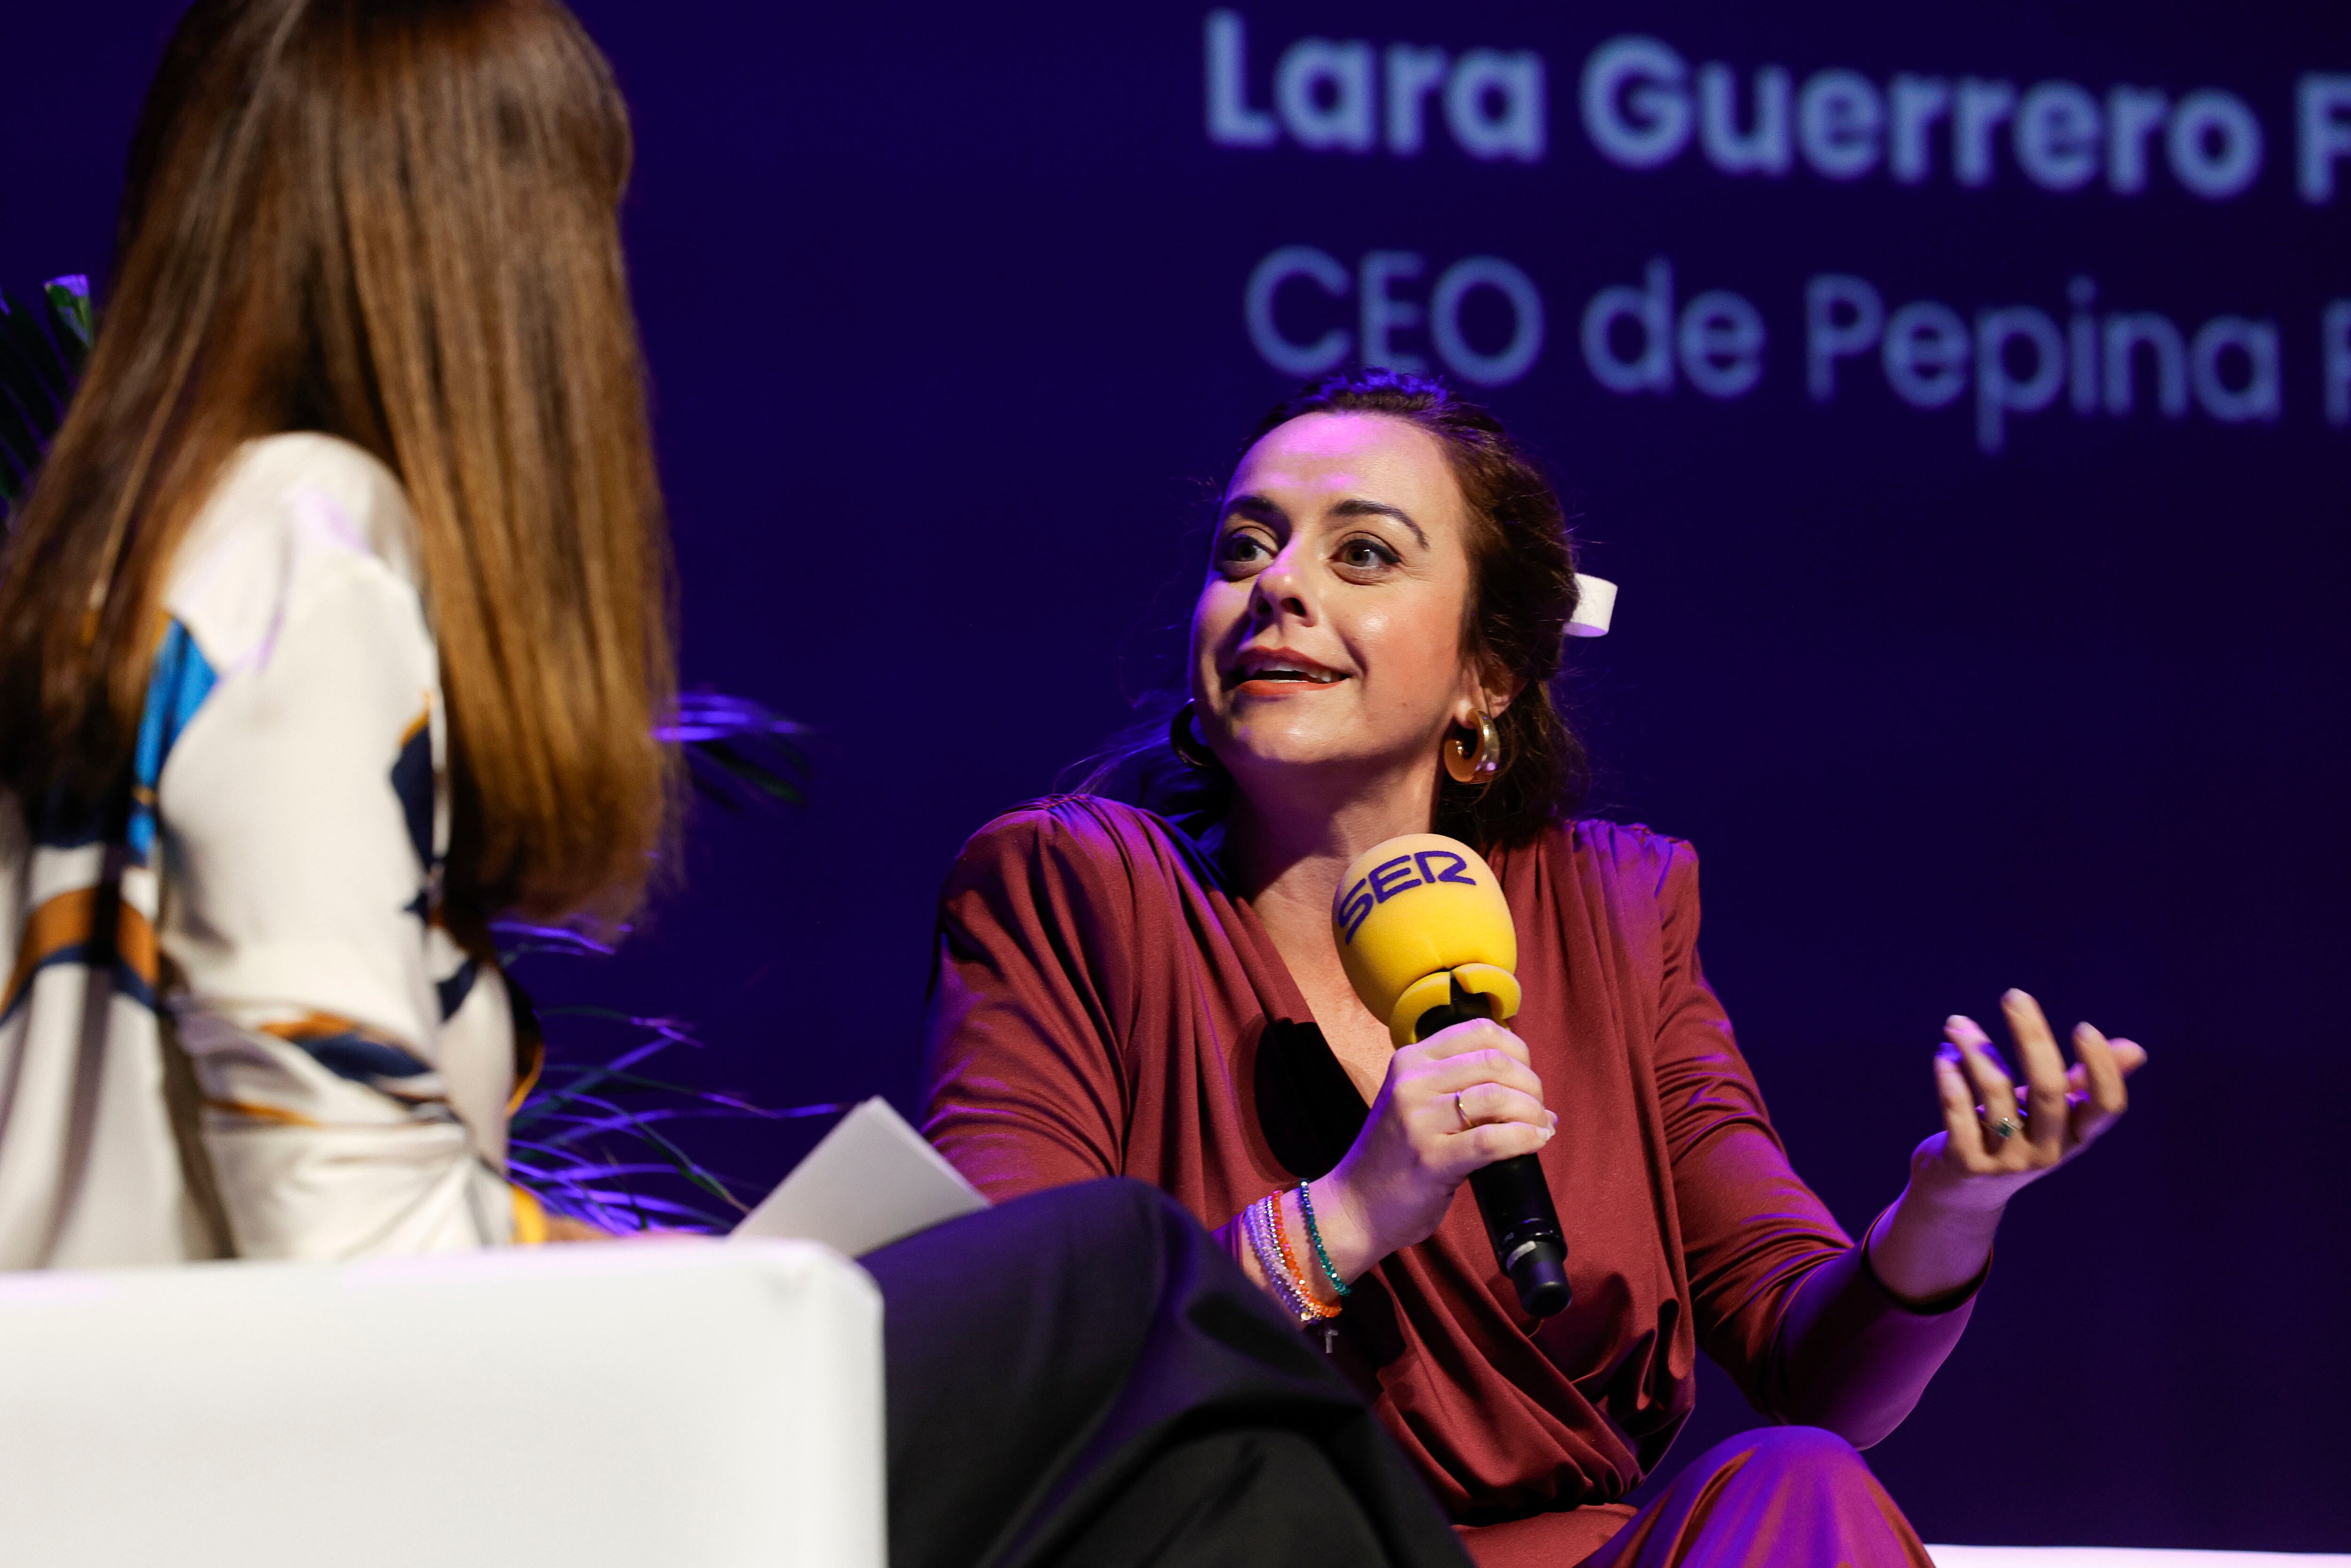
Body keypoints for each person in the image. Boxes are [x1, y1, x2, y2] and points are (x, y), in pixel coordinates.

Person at [0, 8, 1474, 1566]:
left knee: (1229, 1483)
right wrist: (716, 1307)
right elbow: (351, 1236)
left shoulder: (121, 565)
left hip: (190, 1422)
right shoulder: (314, 540)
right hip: (345, 1463)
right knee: (1125, 1273)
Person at [920, 368, 2148, 1568]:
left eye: (1361, 555)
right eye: (1245, 548)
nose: (1278, 587)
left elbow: (1815, 1370)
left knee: (1794, 1478)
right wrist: (1340, 1219)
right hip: (1235, 1542)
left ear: (1487, 677)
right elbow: (1013, 1349)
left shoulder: (1617, 909)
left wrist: (1953, 1209)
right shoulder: (1068, 887)